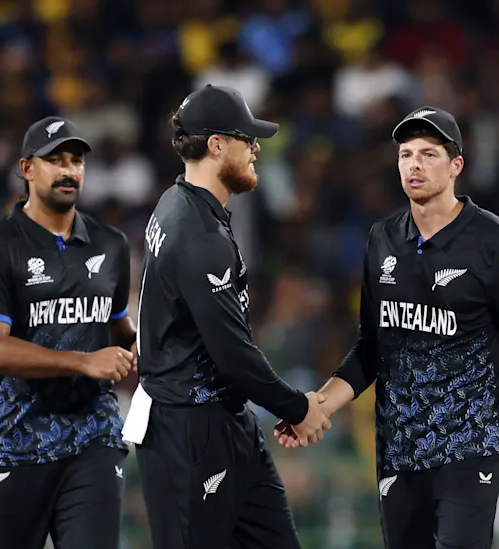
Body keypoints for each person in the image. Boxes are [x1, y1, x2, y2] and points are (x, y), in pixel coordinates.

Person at [282, 106, 499, 549]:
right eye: (406, 154)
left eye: (429, 154)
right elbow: (371, 348)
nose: (414, 164)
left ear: (456, 166)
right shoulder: (382, 239)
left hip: (470, 447)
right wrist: (316, 405)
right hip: (398, 451)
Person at [122, 85, 329, 549]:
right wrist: (297, 408)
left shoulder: (176, 202)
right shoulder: (197, 234)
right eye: (246, 139)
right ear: (217, 145)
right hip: (189, 430)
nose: (256, 148)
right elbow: (232, 353)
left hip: (223, 418)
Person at [0, 116, 134, 549]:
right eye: (55, 160)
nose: (68, 170)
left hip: (92, 437)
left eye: (75, 160)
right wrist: (84, 361)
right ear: (27, 168)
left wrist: (150, 349)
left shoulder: (111, 245)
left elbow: (119, 332)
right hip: (10, 442)